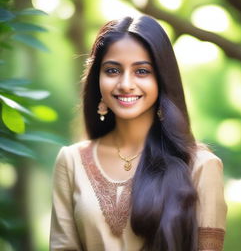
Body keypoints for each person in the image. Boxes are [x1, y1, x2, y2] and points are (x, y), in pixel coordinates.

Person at [49, 15, 227, 251]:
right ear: (97, 79)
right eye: (112, 70)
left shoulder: (200, 166)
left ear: (162, 79)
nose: (125, 83)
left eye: (142, 71)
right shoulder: (71, 161)